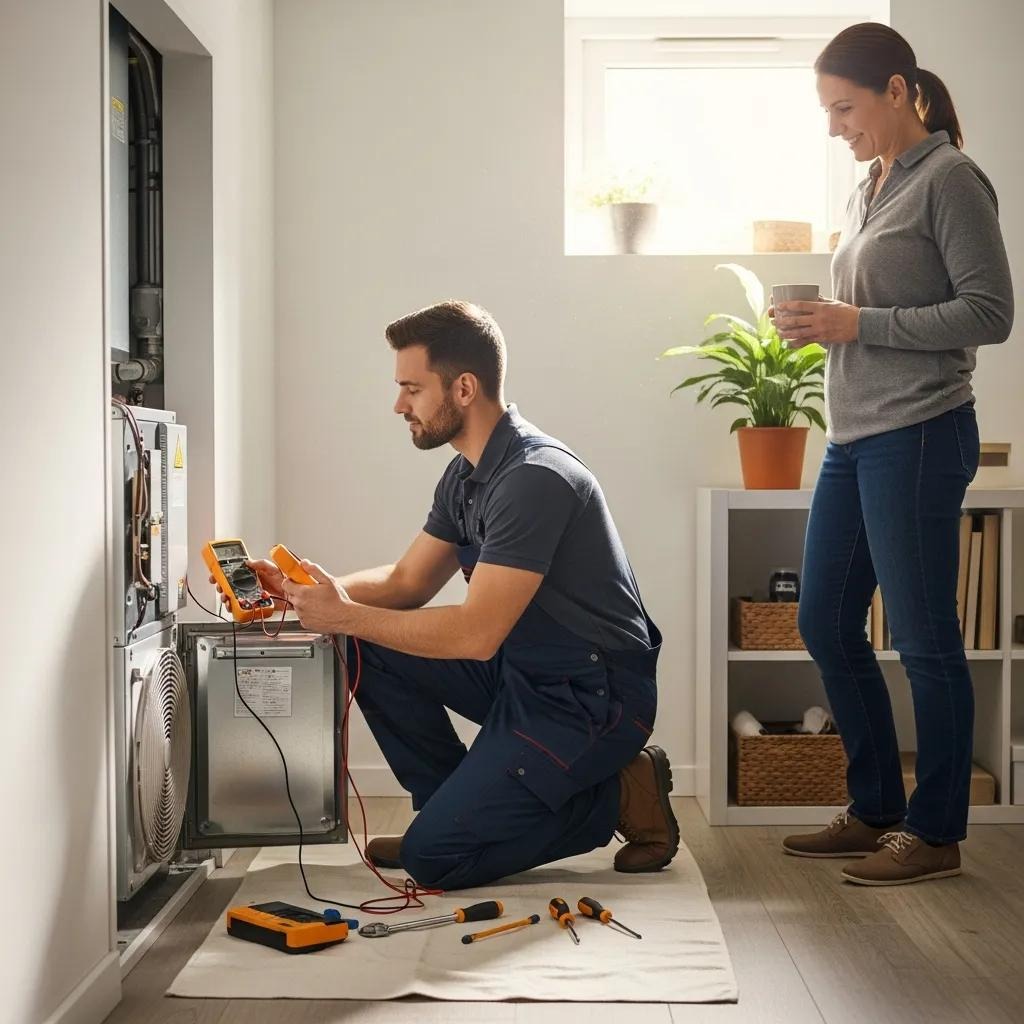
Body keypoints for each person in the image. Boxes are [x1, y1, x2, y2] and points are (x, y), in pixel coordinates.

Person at [238, 300, 678, 890]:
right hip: (524, 670)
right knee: (365, 644)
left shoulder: (534, 478)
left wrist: (344, 615)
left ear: (464, 388)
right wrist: (305, 595)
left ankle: (619, 795)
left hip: (592, 695)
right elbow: (406, 583)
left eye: (412, 389)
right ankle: (448, 812)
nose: (399, 405)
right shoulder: (467, 474)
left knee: (434, 862)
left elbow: (475, 635)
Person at [772, 23, 1013, 885]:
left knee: (922, 636)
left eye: (844, 108)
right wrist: (823, 327)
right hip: (855, 437)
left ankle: (935, 831)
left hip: (918, 432)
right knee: (825, 621)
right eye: (827, 111)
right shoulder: (868, 187)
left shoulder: (950, 179)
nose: (834, 126)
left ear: (899, 90)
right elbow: (868, 316)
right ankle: (876, 809)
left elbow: (990, 313)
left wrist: (856, 323)